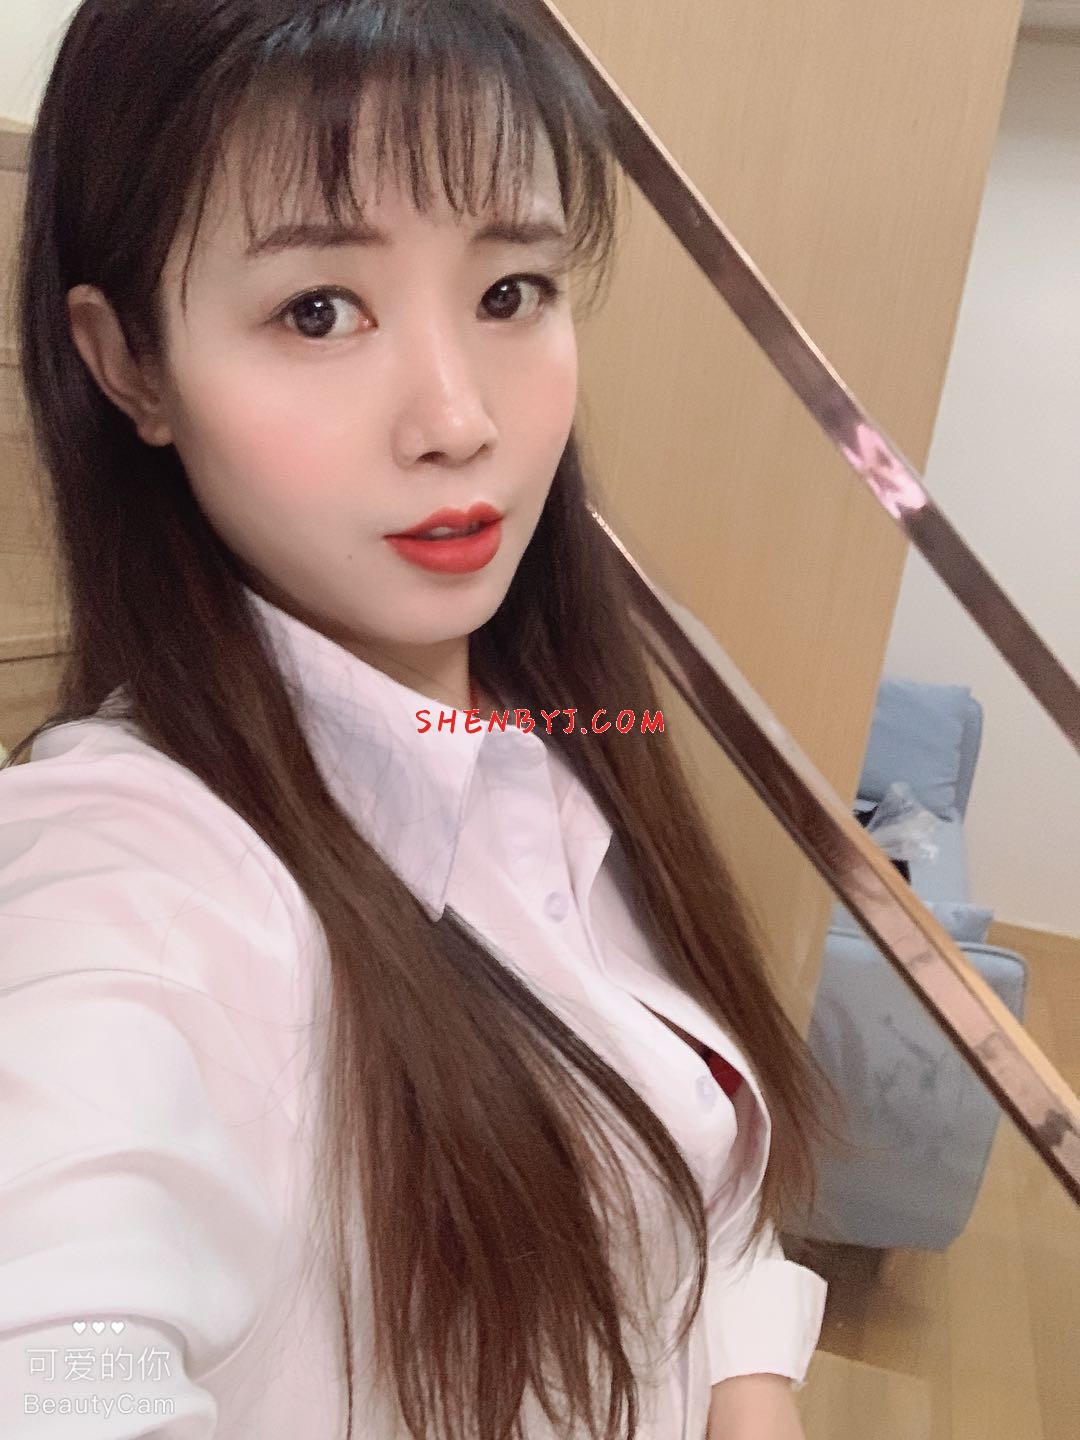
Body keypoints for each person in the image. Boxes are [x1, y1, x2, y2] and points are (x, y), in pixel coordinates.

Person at [0, 2, 844, 1437]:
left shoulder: (547, 737)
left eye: (511, 290)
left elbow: (688, 1181)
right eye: (318, 311)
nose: (459, 420)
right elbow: (58, 1352)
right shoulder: (130, 885)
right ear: (129, 361)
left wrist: (748, 1384)